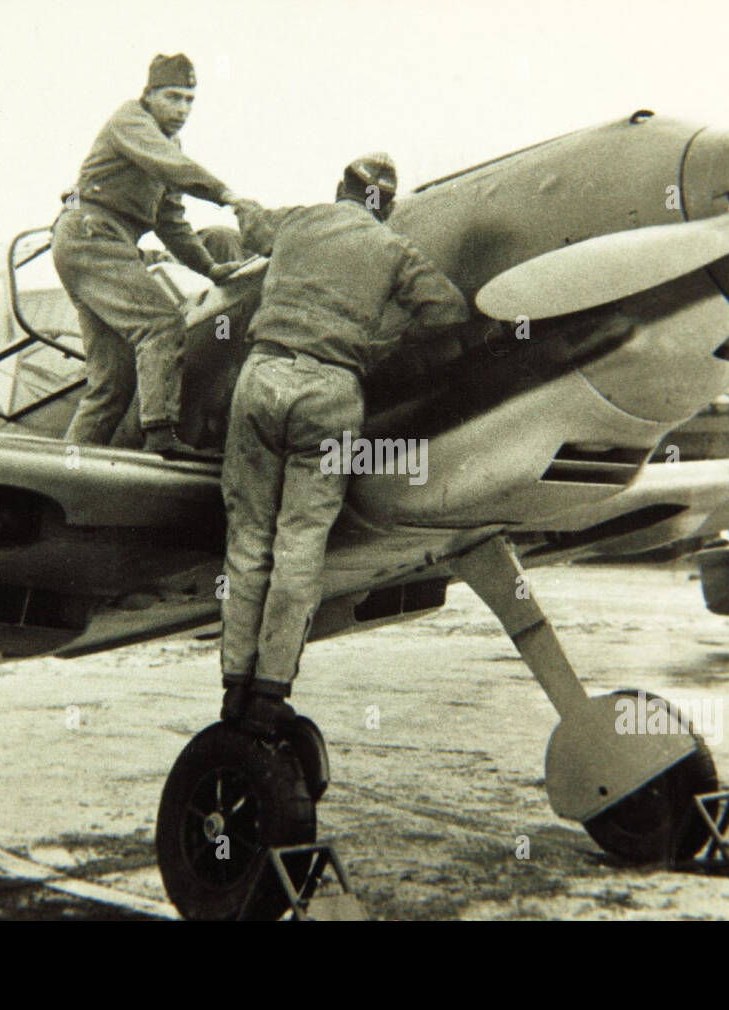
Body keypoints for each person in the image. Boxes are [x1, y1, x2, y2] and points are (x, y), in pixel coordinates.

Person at [219, 153, 471, 737]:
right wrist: (379, 341)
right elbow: (448, 309)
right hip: (333, 392)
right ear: (387, 207)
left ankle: (234, 683)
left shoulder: (302, 221)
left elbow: (250, 224)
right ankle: (270, 690)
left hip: (263, 375)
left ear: (341, 189)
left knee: (248, 537)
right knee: (301, 542)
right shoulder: (391, 250)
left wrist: (235, 199)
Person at [53, 52, 247, 455]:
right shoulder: (131, 121)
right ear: (149, 95)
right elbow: (171, 166)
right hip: (92, 236)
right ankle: (160, 433)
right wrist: (225, 195)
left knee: (112, 384)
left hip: (100, 244)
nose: (182, 109)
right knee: (161, 324)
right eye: (173, 97)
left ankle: (65, 472)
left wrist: (210, 268)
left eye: (189, 100)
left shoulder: (168, 143)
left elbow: (170, 220)